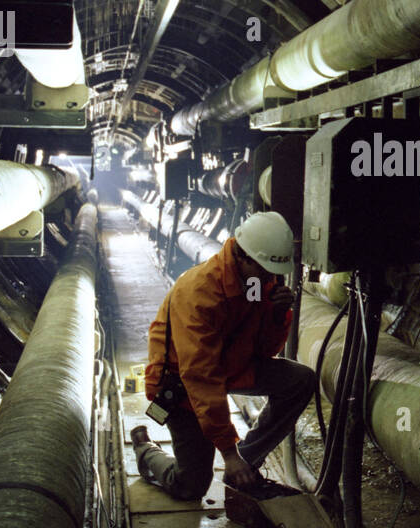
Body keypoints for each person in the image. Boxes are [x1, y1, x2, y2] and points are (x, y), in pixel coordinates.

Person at [132, 211, 315, 498]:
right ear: (242, 256)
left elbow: (264, 350)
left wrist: (278, 316)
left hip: (230, 367)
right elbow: (201, 379)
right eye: (265, 270)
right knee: (191, 486)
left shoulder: (254, 283)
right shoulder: (200, 294)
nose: (271, 279)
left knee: (299, 380)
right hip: (180, 385)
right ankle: (146, 452)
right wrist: (228, 452)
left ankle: (247, 461)